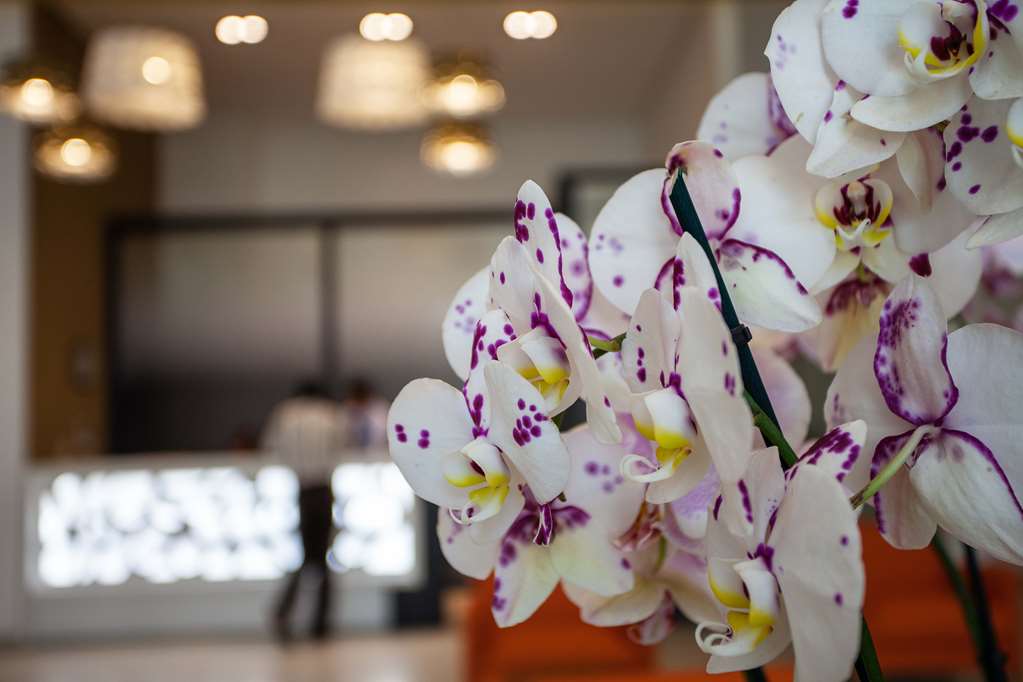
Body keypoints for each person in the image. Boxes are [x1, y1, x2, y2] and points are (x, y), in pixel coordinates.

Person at [263, 381, 344, 641]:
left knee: (309, 556)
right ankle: (318, 621)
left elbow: (272, 447)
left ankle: (285, 613)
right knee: (319, 557)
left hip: (302, 488)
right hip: (322, 487)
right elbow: (342, 448)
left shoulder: (286, 413)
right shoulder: (331, 414)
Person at [339, 377, 389, 450]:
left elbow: (385, 433)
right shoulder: (346, 409)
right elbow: (342, 435)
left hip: (378, 450)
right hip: (352, 451)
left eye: (363, 397)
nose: (360, 403)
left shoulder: (380, 408)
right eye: (358, 398)